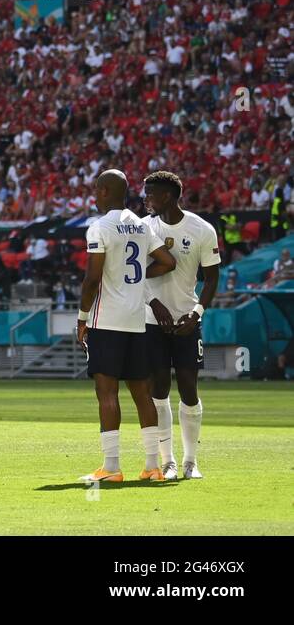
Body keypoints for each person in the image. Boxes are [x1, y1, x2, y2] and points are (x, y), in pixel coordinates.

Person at [77, 170, 176, 484]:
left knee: (106, 392)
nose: (95, 195)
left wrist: (81, 317)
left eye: (96, 190)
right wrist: (138, 278)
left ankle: (112, 466)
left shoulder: (99, 227)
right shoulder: (140, 224)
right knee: (141, 394)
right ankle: (152, 466)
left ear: (104, 191)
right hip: (136, 320)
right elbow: (168, 262)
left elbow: (92, 279)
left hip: (106, 320)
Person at [143, 171, 221, 480]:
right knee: (158, 390)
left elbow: (212, 277)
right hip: (152, 320)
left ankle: (191, 461)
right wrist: (153, 303)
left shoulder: (202, 230)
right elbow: (135, 275)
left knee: (189, 387)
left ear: (168, 197)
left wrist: (198, 313)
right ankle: (168, 462)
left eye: (151, 193)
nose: (145, 198)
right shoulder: (144, 227)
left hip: (188, 319)